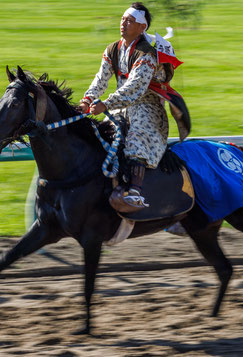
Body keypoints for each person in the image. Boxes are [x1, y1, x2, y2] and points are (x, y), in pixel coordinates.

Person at [79, 2, 172, 212]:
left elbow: (135, 88)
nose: (123, 23)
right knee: (102, 136)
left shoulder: (147, 54)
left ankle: (135, 192)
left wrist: (106, 104)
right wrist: (88, 98)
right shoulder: (113, 49)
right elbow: (100, 79)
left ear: (142, 28)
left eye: (130, 21)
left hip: (147, 107)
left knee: (136, 138)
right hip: (119, 106)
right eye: (123, 19)